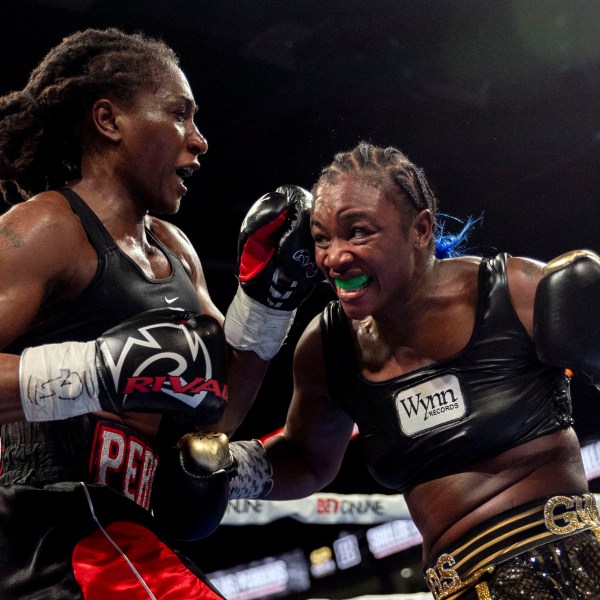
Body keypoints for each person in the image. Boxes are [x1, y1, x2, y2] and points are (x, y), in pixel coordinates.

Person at [189, 141, 600, 599]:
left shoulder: (515, 293)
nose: (334, 257)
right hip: (455, 587)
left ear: (420, 229)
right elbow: (306, 458)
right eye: (321, 238)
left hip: (568, 568)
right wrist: (226, 469)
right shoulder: (327, 348)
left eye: (358, 232)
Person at [0, 27, 318, 599]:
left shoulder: (176, 251)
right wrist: (102, 370)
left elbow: (216, 413)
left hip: (129, 530)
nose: (199, 140)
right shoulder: (44, 228)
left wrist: (267, 303)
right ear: (109, 120)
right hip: (43, 532)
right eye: (179, 114)